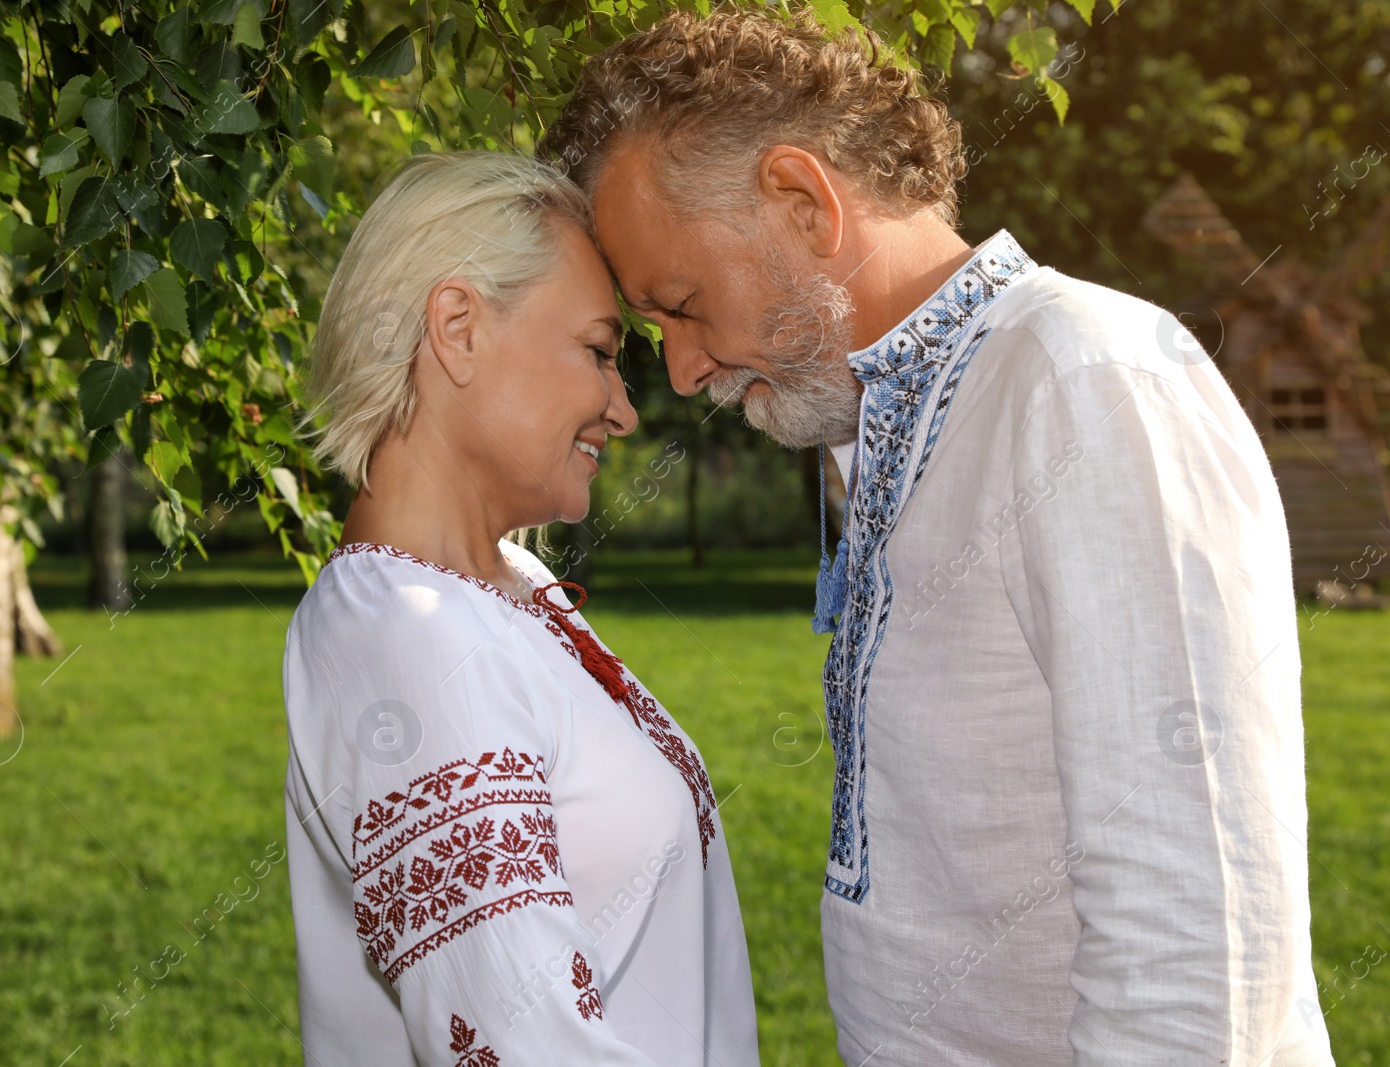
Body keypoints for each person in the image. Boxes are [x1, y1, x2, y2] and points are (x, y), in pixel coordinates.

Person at [541, 8, 1334, 1066]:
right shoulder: (884, 425)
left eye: (680, 304)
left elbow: (1199, 936)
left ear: (800, 200)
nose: (681, 370)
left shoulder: (1087, 380)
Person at [282, 151, 760, 1067]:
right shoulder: (407, 630)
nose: (623, 410)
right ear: (457, 327)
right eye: (598, 351)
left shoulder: (506, 587)